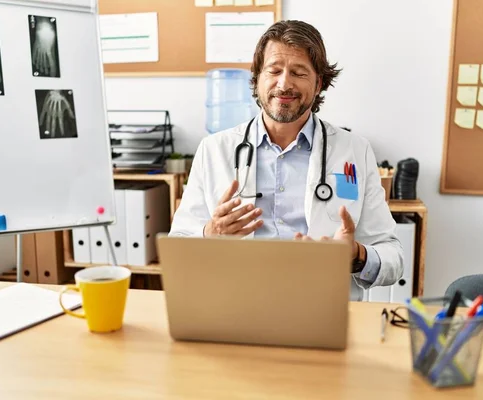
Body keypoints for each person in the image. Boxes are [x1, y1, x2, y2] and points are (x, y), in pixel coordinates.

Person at [169, 20, 403, 301]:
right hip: (235, 304)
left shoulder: (355, 151)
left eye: (298, 72)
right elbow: (178, 249)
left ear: (319, 84)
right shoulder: (213, 150)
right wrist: (210, 233)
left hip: (320, 304)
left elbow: (393, 258)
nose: (284, 84)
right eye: (275, 70)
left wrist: (355, 255)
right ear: (257, 79)